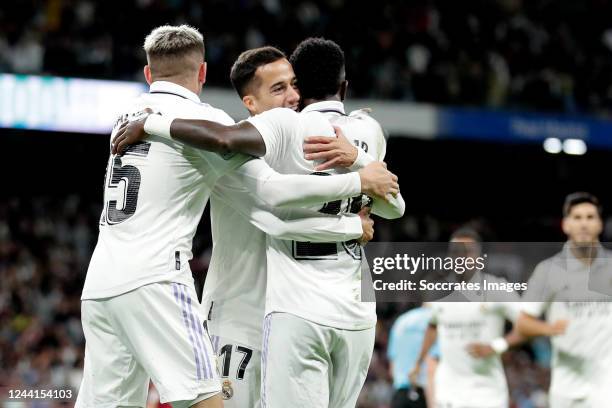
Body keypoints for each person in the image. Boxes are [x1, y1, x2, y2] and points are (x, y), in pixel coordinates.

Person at [76, 25, 398, 408]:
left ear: (150, 75)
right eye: (278, 89)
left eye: (294, 85)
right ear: (247, 102)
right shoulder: (217, 140)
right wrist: (350, 218)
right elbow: (272, 207)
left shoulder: (296, 145)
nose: (293, 97)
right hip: (235, 317)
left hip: (273, 312)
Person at [409, 228, 524, 408]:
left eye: (468, 251)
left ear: (479, 256)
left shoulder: (498, 288)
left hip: (488, 393)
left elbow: (528, 324)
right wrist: (417, 363)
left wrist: (497, 346)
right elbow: (432, 326)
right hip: (448, 391)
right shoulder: (439, 292)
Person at [517, 192, 612, 407]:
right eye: (577, 218)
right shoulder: (548, 270)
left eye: (590, 217)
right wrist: (549, 329)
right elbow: (523, 323)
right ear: (566, 225)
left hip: (606, 388)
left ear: (599, 224)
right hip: (565, 389)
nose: (584, 224)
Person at [387, 304, 433, 408]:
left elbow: (391, 368)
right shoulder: (436, 322)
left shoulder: (401, 321)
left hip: (400, 395)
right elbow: (434, 363)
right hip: (425, 394)